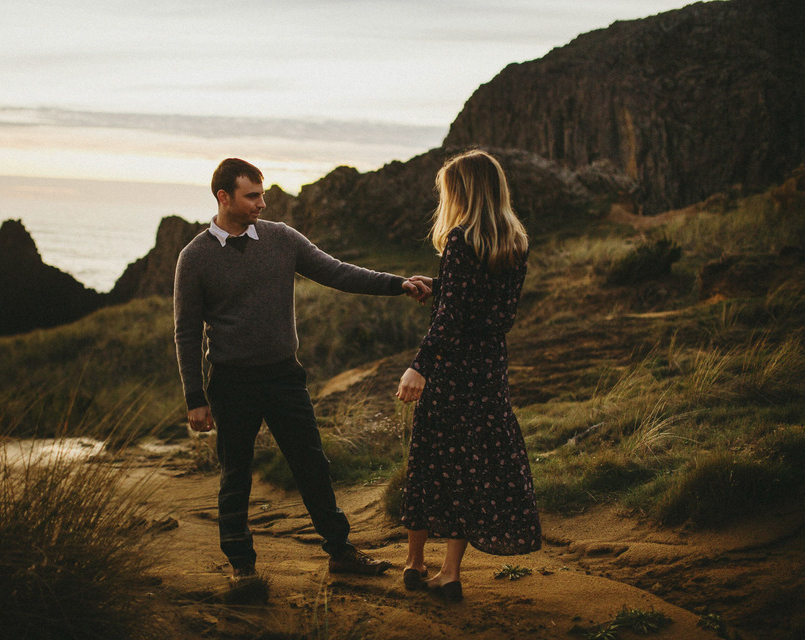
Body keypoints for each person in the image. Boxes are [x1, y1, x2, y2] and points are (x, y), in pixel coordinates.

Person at [174, 158, 431, 580]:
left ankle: (341, 553)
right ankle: (242, 568)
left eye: (262, 193)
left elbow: (338, 273)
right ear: (224, 197)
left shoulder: (281, 239)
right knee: (235, 475)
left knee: (312, 467)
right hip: (231, 384)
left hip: (283, 377)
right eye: (252, 195)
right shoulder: (194, 257)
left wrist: (396, 283)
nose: (262, 202)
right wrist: (195, 398)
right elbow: (185, 332)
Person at [395, 149, 542, 602]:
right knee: (468, 467)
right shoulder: (514, 240)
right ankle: (450, 572)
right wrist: (439, 286)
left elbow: (452, 318)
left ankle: (415, 562)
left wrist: (420, 364)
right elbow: (484, 305)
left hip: (452, 369)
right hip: (488, 369)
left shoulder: (460, 240)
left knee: (429, 461)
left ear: (463, 192)